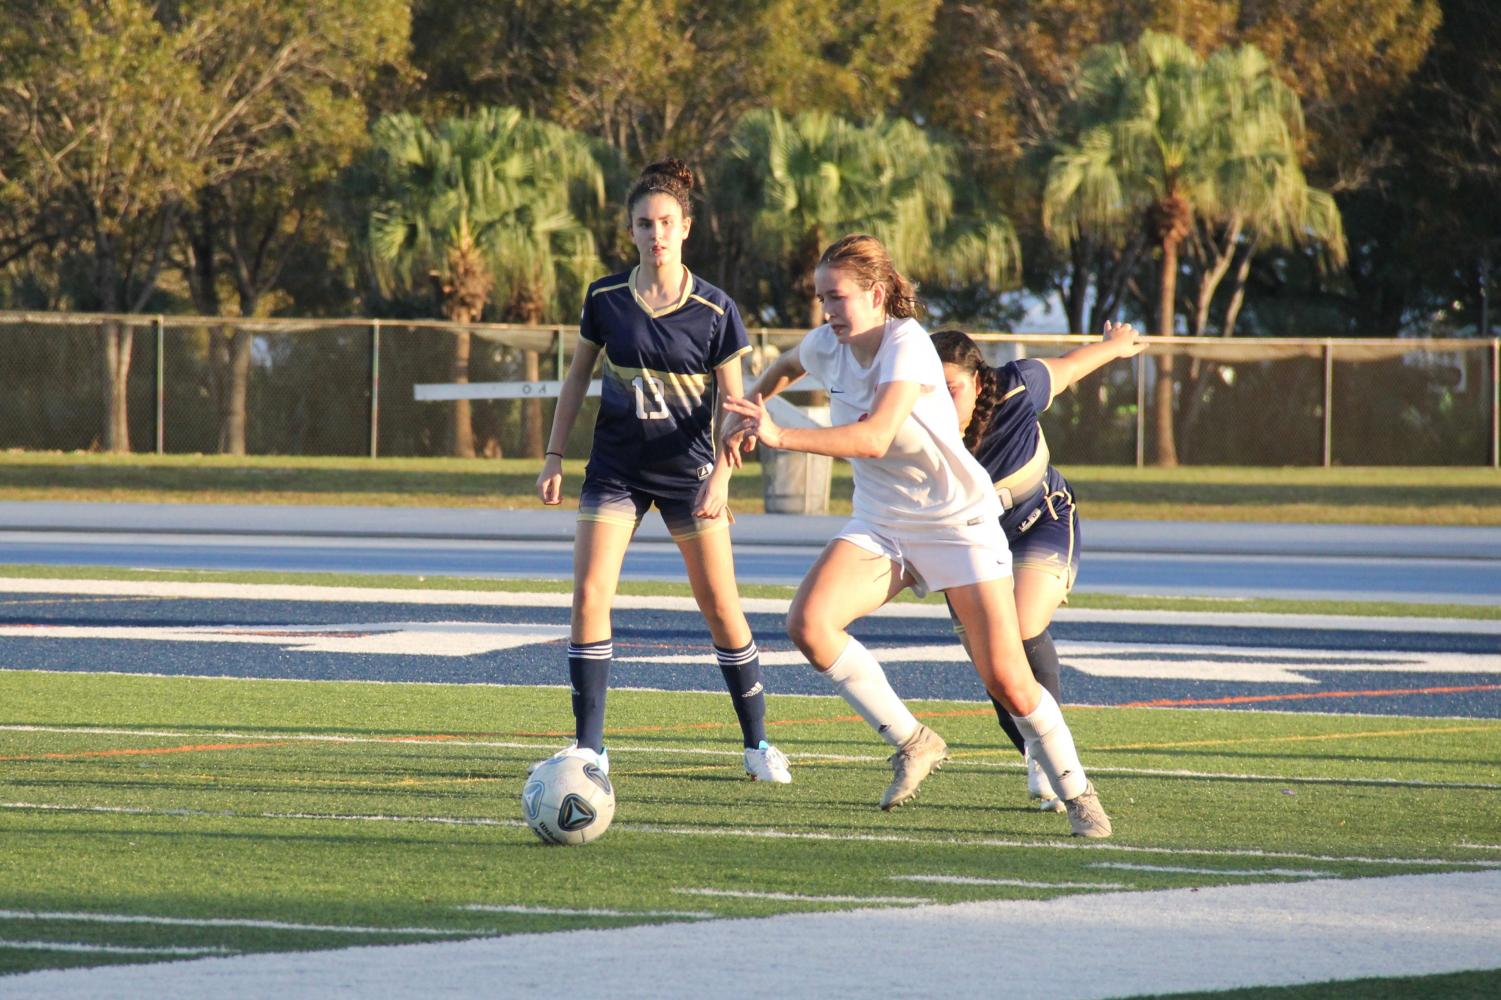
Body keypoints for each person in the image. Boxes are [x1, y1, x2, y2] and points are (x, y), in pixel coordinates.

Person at [722, 233, 1111, 836]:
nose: (827, 310)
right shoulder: (831, 343)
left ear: (877, 295)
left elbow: (875, 436)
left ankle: (1078, 790)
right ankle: (913, 739)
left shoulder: (907, 345)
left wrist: (779, 435)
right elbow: (786, 366)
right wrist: (746, 405)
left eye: (838, 297)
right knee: (809, 624)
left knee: (1007, 678)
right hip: (884, 523)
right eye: (821, 297)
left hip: (958, 523)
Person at [534, 158, 791, 784]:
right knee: (591, 596)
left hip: (690, 475)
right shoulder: (604, 298)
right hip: (616, 471)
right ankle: (589, 747)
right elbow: (576, 379)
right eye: (645, 224)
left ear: (686, 229)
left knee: (720, 606)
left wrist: (722, 476)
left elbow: (735, 410)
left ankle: (758, 745)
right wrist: (554, 455)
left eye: (667, 222)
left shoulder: (716, 309)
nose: (656, 234)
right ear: (631, 231)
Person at [932, 323, 1146, 811]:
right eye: (929, 389)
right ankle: (1040, 751)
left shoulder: (1016, 386)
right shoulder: (911, 420)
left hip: (1039, 521)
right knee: (996, 665)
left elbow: (1069, 369)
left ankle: (1049, 761)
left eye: (951, 389)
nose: (941, 402)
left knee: (1021, 625)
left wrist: (1113, 347)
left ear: (979, 381)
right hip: (966, 544)